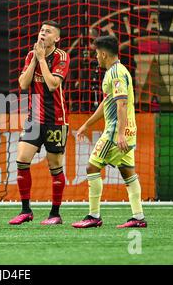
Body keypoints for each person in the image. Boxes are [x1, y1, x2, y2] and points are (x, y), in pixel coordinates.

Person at [71, 35, 147, 229]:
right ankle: (138, 217)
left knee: (91, 168)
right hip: (129, 130)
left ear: (103, 54)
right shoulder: (119, 71)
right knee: (128, 172)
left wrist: (120, 134)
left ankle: (93, 216)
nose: (96, 57)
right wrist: (87, 124)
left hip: (115, 132)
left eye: (97, 53)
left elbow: (121, 103)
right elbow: (108, 102)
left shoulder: (115, 73)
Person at [9, 20, 70, 225]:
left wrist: (42, 59)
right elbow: (23, 83)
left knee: (55, 166)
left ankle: (55, 214)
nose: (43, 33)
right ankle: (26, 210)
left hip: (56, 120)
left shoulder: (62, 57)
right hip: (34, 119)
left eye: (48, 31)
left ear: (56, 38)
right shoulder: (30, 55)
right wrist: (35, 59)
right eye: (42, 30)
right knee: (21, 160)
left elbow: (53, 85)